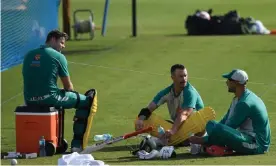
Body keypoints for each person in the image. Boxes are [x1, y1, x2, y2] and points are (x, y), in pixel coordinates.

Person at [22, 29, 97, 153]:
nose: (63, 46)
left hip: (29, 100)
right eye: (61, 43)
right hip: (50, 98)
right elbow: (68, 87)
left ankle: (58, 140)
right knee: (86, 101)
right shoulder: (58, 56)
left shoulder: (29, 54)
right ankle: (76, 145)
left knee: (60, 95)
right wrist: (69, 92)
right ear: (52, 39)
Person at [189, 69, 271, 155]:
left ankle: (214, 146)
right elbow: (225, 121)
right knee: (211, 124)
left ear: (236, 82)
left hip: (256, 145)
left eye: (229, 80)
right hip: (246, 137)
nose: (226, 82)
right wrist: (212, 133)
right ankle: (219, 146)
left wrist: (201, 140)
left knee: (217, 129)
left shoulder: (244, 103)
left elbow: (230, 126)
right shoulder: (238, 99)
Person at [135, 64, 205, 145]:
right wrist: (140, 119)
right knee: (145, 119)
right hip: (178, 126)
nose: (184, 79)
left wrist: (173, 130)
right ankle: (175, 139)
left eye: (185, 76)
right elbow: (149, 108)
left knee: (173, 132)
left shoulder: (190, 92)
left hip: (196, 129)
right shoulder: (167, 92)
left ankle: (176, 139)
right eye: (180, 76)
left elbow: (185, 113)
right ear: (173, 78)